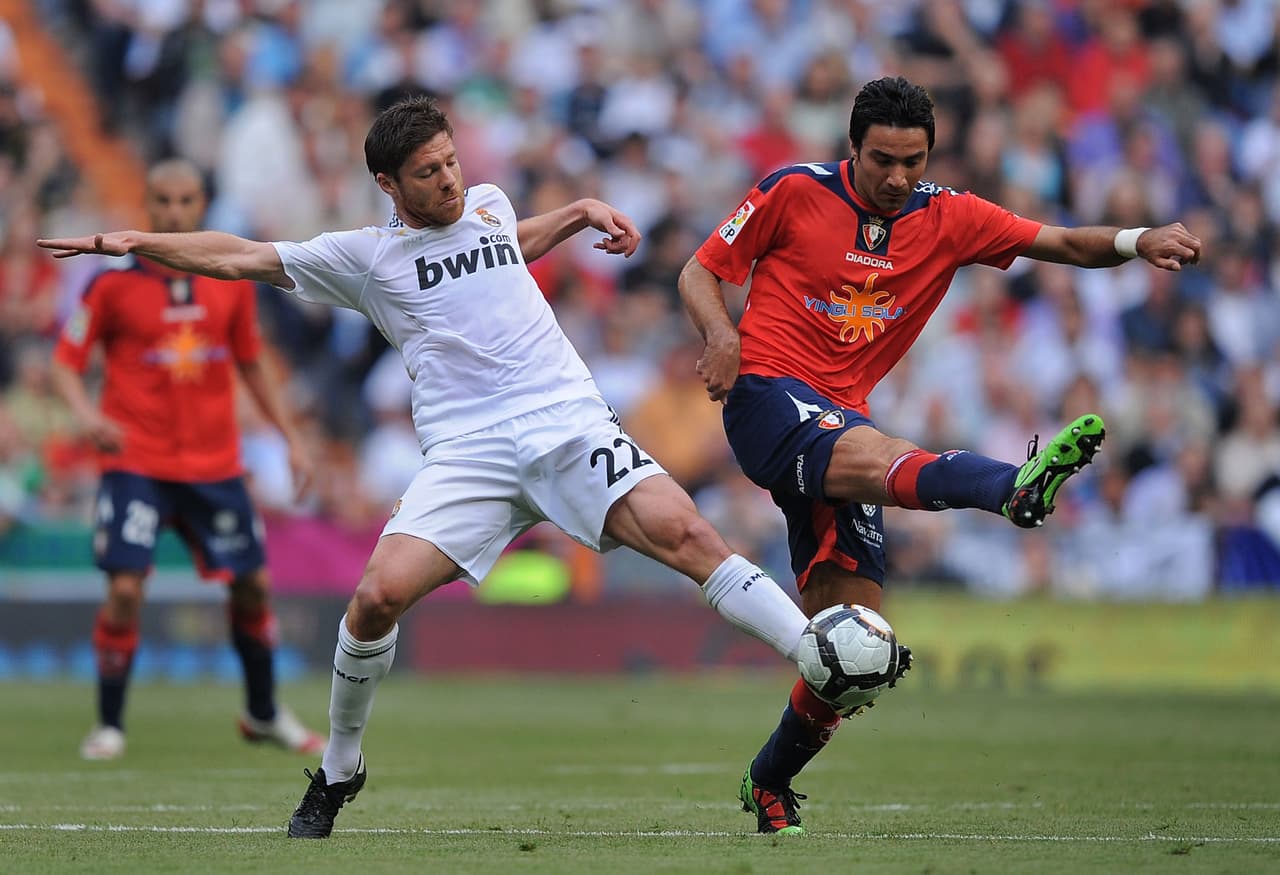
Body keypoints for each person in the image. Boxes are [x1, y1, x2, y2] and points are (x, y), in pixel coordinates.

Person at [38, 95, 821, 838]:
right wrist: (139, 244)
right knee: (375, 598)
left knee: (687, 533)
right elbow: (240, 256)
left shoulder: (488, 204)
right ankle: (341, 768)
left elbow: (509, 245)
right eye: (428, 172)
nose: (447, 179)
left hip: (566, 421)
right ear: (389, 183)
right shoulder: (366, 257)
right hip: (468, 453)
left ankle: (819, 655)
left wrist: (580, 211)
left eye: (450, 162)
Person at [678, 75, 1203, 835]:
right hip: (768, 397)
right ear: (851, 148)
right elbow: (700, 269)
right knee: (885, 453)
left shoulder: (949, 217)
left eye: (912, 161)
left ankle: (767, 782)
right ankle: (1010, 489)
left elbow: (1054, 242)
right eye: (882, 160)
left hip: (840, 422)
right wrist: (721, 334)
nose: (897, 178)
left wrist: (1136, 240)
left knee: (856, 650)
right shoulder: (792, 191)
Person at [48, 159, 323, 761]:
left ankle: (263, 711)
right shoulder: (110, 286)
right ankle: (110, 725)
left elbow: (253, 364)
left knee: (252, 586)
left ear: (201, 206)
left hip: (215, 465)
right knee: (125, 589)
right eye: (163, 201)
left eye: (186, 201)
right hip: (137, 463)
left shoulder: (229, 283)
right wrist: (88, 417)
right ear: (148, 207)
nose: (175, 212)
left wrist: (290, 437)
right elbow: (66, 362)